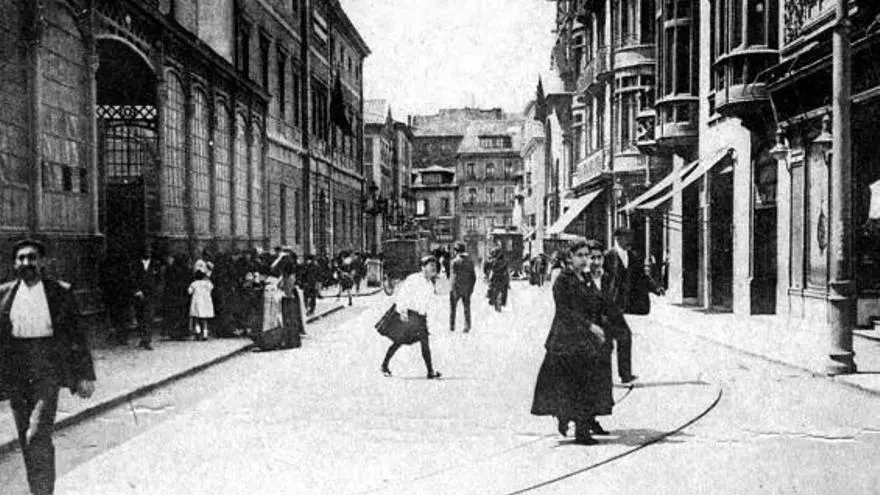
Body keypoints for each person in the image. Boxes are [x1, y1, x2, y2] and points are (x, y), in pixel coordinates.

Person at [0, 239, 96, 494]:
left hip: (47, 369)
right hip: (16, 373)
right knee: (26, 439)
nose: (26, 263)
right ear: (14, 264)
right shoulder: (4, 293)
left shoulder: (59, 292)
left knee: (37, 434)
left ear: (42, 262)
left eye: (32, 257)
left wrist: (85, 375)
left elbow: (76, 335)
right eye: (21, 258)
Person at [531, 239, 613, 445]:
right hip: (566, 340)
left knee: (582, 384)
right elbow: (565, 312)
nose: (585, 259)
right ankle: (579, 430)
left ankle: (575, 423)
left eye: (587, 255)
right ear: (570, 258)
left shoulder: (585, 277)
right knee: (573, 385)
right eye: (580, 255)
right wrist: (590, 326)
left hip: (584, 340)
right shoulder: (563, 280)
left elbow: (596, 302)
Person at [604, 227, 665, 383]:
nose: (629, 240)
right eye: (626, 237)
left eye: (629, 237)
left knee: (619, 337)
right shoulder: (608, 256)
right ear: (618, 238)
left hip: (620, 304)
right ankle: (617, 376)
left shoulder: (632, 255)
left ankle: (624, 375)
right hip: (608, 303)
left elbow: (642, 276)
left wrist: (655, 288)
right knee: (616, 338)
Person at [380, 255, 442, 379]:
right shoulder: (414, 279)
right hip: (409, 314)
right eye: (431, 266)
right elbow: (403, 295)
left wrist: (431, 318)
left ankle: (430, 371)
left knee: (425, 342)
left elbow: (429, 303)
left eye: (435, 266)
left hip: (420, 317)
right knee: (399, 341)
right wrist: (402, 312)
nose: (433, 268)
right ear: (423, 267)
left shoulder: (430, 284)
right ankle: (384, 365)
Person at [128, 245, 161, 350]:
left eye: (149, 252)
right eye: (146, 252)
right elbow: (132, 278)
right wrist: (137, 290)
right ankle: (143, 338)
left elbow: (159, 279)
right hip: (139, 295)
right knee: (140, 316)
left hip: (151, 295)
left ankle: (147, 340)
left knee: (149, 317)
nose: (148, 253)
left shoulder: (155, 265)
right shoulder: (136, 264)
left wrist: (156, 290)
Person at [448, 242, 476, 332]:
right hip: (467, 289)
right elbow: (473, 277)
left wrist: (452, 289)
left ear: (456, 251)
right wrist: (471, 288)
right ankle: (467, 326)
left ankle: (452, 326)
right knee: (467, 308)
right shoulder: (470, 262)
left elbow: (452, 277)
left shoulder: (454, 262)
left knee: (453, 308)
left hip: (456, 289)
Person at [188, 270, 214, 341]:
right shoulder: (207, 283)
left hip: (197, 303)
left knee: (196, 319)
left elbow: (189, 291)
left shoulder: (194, 283)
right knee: (204, 320)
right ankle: (205, 334)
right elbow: (211, 288)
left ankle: (198, 333)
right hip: (205, 303)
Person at [485, 248, 510, 312]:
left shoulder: (493, 261)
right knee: (504, 289)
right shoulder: (504, 261)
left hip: (496, 278)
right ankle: (501, 302)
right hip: (503, 278)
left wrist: (487, 274)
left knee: (491, 287)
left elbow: (486, 267)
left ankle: (491, 298)